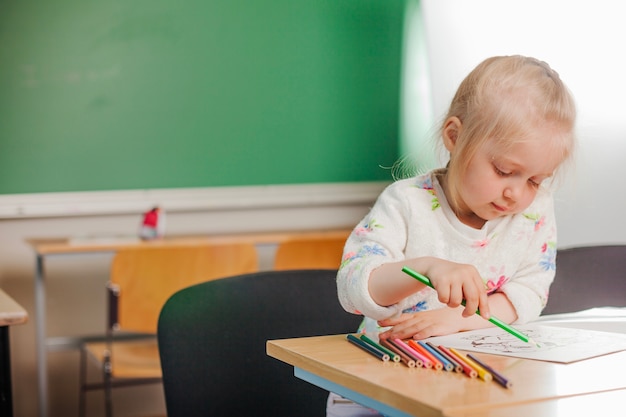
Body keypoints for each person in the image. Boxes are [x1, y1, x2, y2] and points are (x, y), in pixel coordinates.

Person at [329, 54, 576, 417]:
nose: (517, 194)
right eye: (504, 170)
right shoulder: (407, 204)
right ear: (455, 137)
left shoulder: (533, 211)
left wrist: (460, 319)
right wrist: (425, 268)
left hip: (471, 390)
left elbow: (531, 290)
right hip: (380, 390)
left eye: (536, 180)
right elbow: (352, 287)